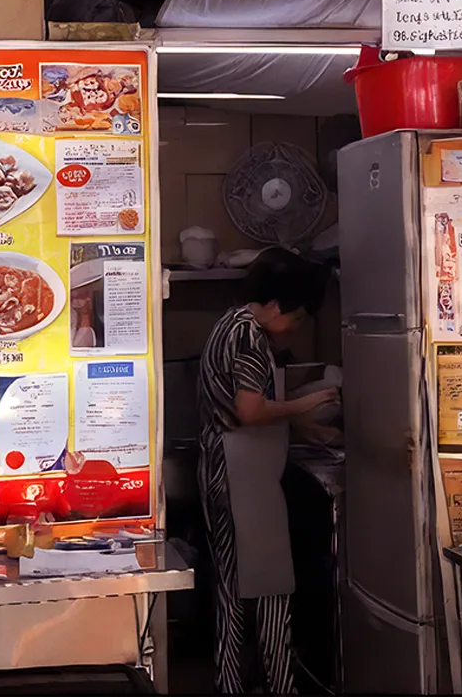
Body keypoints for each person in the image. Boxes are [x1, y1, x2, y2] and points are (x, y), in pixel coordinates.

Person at [197, 248, 337, 695]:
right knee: (268, 585)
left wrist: (303, 426)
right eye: (296, 318)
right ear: (276, 305)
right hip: (242, 475)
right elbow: (251, 410)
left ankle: (233, 684)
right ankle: (279, 686)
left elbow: (250, 399)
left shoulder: (231, 324)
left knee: (236, 585)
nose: (295, 328)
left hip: (232, 469)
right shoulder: (250, 337)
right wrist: (309, 402)